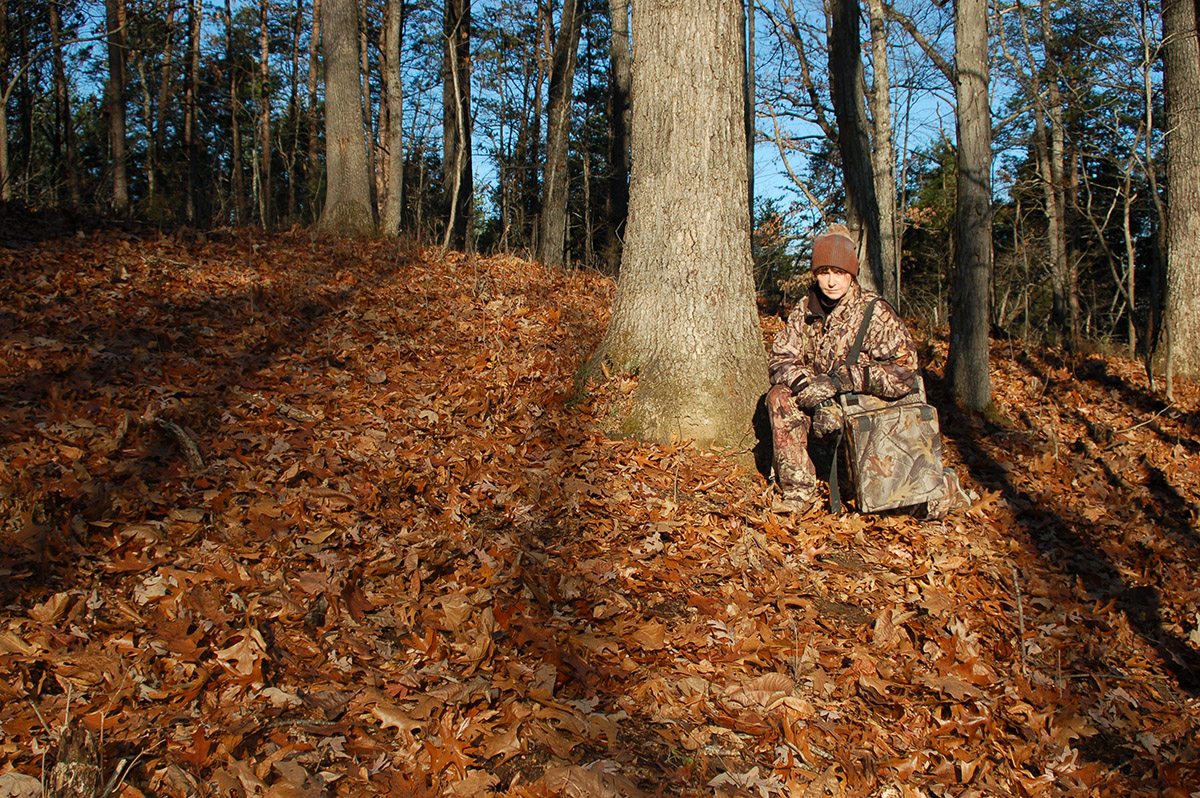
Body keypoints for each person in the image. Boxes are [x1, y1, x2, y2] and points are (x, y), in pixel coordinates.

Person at [766, 224, 920, 511]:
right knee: (779, 396)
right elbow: (780, 358)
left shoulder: (875, 312)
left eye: (839, 273)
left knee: (909, 504)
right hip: (820, 404)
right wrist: (810, 391)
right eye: (824, 272)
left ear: (852, 274)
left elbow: (904, 372)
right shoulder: (805, 308)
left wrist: (842, 381)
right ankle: (798, 493)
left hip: (863, 409)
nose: (831, 281)